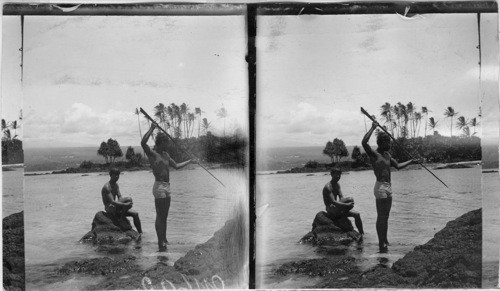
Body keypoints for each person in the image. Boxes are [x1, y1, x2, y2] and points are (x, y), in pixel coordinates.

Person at [362, 121, 417, 252]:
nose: (390, 145)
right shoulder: (375, 154)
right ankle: (381, 243)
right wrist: (373, 127)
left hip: (389, 187)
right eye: (388, 143)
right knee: (381, 216)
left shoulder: (387, 155)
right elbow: (364, 143)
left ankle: (385, 240)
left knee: (385, 216)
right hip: (380, 187)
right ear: (382, 143)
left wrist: (412, 161)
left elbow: (397, 166)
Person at [141, 123, 194, 252]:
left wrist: (189, 161)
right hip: (159, 186)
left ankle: (164, 239)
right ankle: (160, 242)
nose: (167, 145)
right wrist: (152, 128)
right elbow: (143, 143)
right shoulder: (152, 154)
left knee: (164, 216)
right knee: (160, 215)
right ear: (160, 143)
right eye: (165, 143)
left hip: (167, 186)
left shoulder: (166, 155)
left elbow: (176, 166)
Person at [323, 167, 364, 237]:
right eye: (336, 175)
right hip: (331, 209)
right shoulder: (328, 187)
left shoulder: (337, 184)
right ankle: (341, 216)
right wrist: (347, 205)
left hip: (336, 207)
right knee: (349, 202)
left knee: (356, 213)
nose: (338, 177)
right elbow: (333, 201)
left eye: (339, 175)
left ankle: (362, 234)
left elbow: (341, 198)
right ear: (331, 175)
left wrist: (348, 203)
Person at [101, 168, 142, 234]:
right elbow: (112, 201)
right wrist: (125, 205)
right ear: (110, 175)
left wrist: (126, 203)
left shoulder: (116, 185)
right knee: (127, 201)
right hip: (110, 208)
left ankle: (140, 233)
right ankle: (121, 219)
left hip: (115, 207)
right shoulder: (107, 187)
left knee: (135, 213)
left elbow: (120, 197)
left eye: (118, 175)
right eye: (115, 175)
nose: (117, 177)